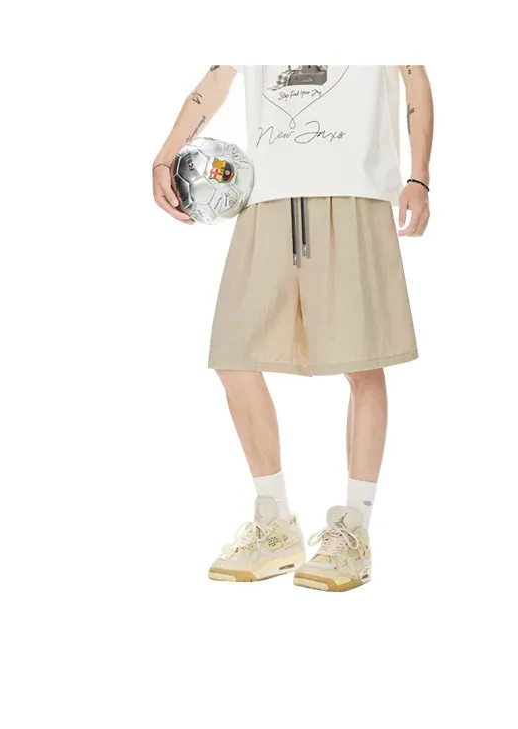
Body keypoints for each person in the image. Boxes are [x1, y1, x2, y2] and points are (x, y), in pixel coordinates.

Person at [152, 65, 433, 591]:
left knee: (362, 362)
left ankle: (354, 530)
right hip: (267, 197)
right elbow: (218, 77)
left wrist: (419, 175)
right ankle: (275, 522)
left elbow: (413, 72)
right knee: (234, 355)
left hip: (354, 189)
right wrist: (165, 155)